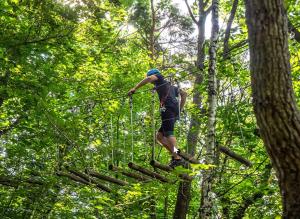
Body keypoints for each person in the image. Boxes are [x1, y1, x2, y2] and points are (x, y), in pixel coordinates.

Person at [127, 69, 187, 168]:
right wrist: (179, 110)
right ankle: (175, 154)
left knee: (168, 133)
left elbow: (150, 78)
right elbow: (184, 94)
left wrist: (135, 88)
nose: (151, 83)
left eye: (152, 82)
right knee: (159, 136)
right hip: (172, 110)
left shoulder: (159, 77)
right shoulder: (170, 86)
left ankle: (177, 158)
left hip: (167, 109)